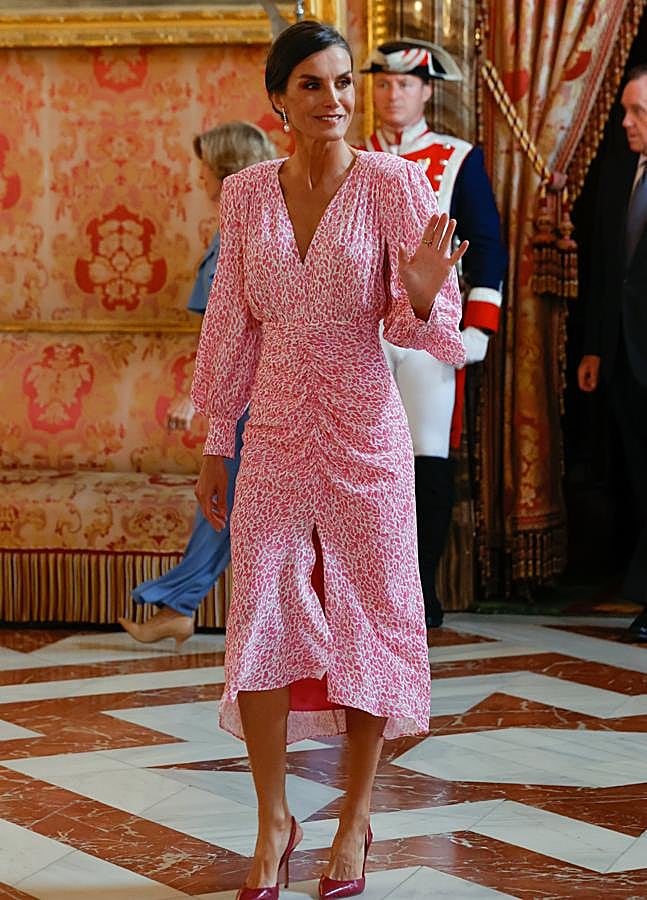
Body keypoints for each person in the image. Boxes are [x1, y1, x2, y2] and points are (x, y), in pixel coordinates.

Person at [191, 21, 467, 900]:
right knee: (260, 622)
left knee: (370, 620)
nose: (335, 99)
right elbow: (230, 324)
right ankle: (273, 820)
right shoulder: (245, 194)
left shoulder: (390, 182)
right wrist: (215, 440)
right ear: (278, 98)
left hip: (363, 433)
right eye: (312, 84)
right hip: (273, 434)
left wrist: (419, 296)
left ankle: (353, 817)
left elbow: (428, 325)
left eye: (344, 82)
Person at [362, 39, 507, 630]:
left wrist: (480, 328)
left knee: (428, 458)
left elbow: (488, 246)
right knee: (363, 462)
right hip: (363, 332)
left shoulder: (459, 157)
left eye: (405, 84)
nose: (392, 93)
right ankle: (369, 593)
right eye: (382, 83)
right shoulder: (351, 155)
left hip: (431, 330)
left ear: (426, 91)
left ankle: (420, 590)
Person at [118, 122, 275, 650]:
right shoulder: (243, 224)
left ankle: (180, 605)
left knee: (228, 504)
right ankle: (178, 606)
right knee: (228, 504)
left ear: (227, 170)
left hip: (258, 394)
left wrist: (197, 396)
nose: (199, 178)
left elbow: (234, 328)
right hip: (255, 391)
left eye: (205, 168)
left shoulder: (245, 230)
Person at [578, 63, 647, 642]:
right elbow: (607, 270)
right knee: (641, 479)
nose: (626, 122)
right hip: (625, 356)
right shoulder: (621, 169)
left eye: (637, 112)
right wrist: (595, 349)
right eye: (626, 110)